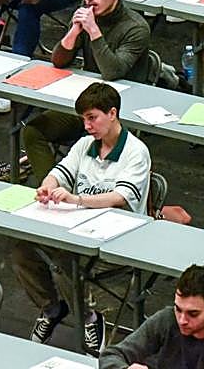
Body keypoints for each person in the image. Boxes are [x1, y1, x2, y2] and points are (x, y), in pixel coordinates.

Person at [14, 83, 151, 356]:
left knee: (65, 259)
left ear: (112, 113)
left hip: (118, 239)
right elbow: (60, 172)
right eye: (83, 119)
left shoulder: (136, 152)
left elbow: (119, 198)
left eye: (92, 118)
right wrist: (46, 185)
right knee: (22, 247)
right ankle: (52, 308)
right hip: (76, 228)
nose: (87, 125)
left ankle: (89, 318)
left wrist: (75, 200)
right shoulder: (85, 144)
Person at [15, 0, 152, 164]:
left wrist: (93, 30)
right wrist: (74, 31)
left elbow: (112, 71)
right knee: (33, 131)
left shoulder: (136, 28)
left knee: (92, 146)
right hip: (87, 101)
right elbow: (59, 61)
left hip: (118, 110)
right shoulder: (85, 15)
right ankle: (55, 191)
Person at [99, 265, 204, 369]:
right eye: (178, 309)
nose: (182, 320)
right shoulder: (167, 320)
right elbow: (111, 355)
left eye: (193, 314)